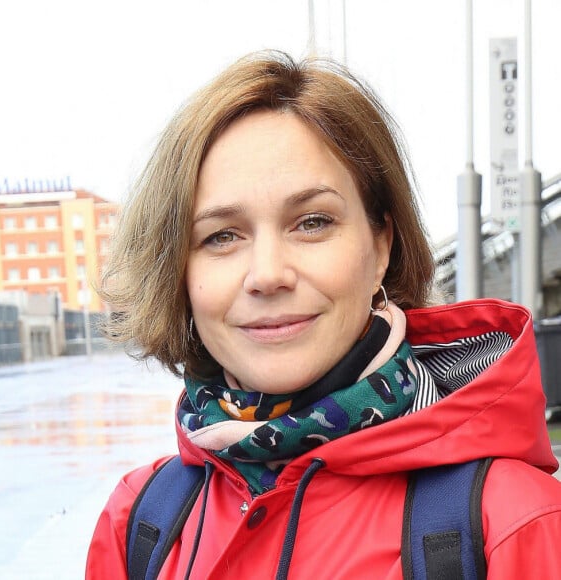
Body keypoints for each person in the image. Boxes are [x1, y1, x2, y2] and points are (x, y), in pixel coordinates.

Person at [86, 50, 561, 579]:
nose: (267, 274)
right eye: (222, 235)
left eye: (311, 222)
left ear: (381, 245)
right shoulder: (138, 524)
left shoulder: (514, 523)